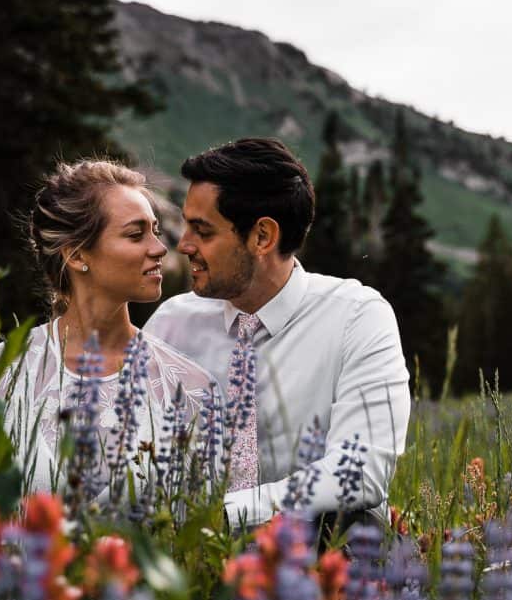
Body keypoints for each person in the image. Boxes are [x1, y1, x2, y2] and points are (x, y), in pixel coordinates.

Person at [144, 138, 411, 528]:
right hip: (190, 550)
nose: (183, 245)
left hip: (315, 549)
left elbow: (360, 472)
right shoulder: (172, 323)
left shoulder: (357, 316)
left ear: (262, 237)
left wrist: (225, 517)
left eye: (202, 231)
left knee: (355, 525)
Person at [0, 159, 219, 497]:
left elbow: (207, 535)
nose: (159, 248)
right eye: (135, 234)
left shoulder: (190, 389)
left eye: (155, 231)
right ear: (77, 255)